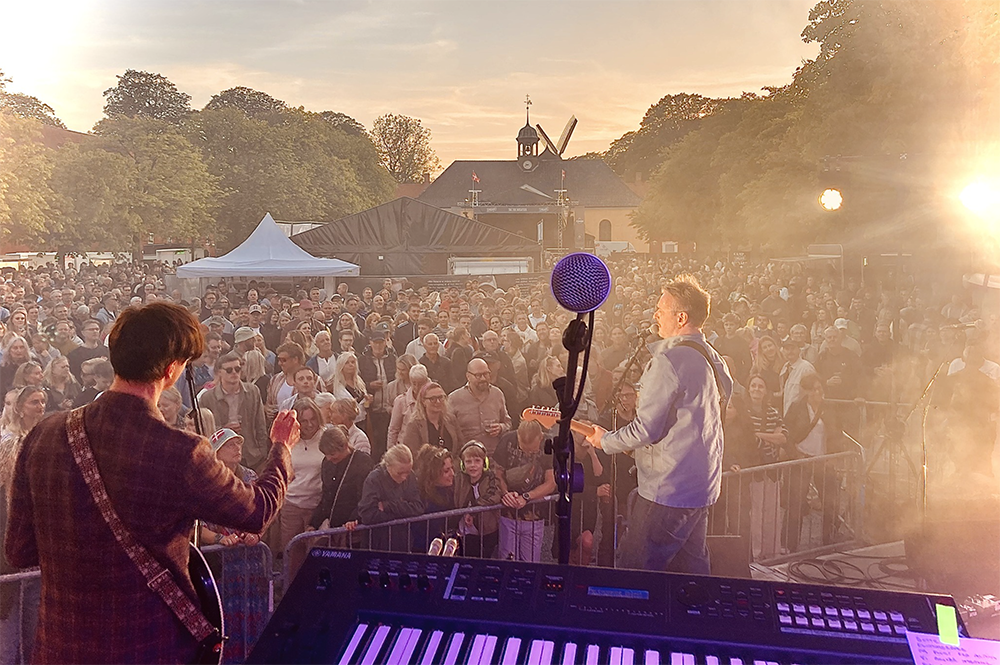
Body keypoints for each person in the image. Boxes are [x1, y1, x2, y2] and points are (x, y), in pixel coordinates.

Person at [5, 301, 299, 665]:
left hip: (61, 648)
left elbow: (19, 551)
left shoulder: (44, 434)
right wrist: (281, 449)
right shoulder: (179, 451)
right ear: (173, 370)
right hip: (149, 647)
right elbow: (255, 512)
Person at [587, 275, 733, 575]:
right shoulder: (714, 358)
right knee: (690, 574)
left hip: (667, 490)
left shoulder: (668, 360)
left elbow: (646, 429)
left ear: (681, 317)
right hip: (702, 486)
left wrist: (606, 441)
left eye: (660, 308)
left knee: (635, 570)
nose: (654, 314)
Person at [493, 419, 556, 562]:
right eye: (523, 449)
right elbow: (497, 473)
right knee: (507, 560)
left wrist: (527, 497)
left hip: (535, 516)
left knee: (530, 563)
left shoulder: (549, 445)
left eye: (532, 450)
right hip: (508, 513)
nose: (528, 454)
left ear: (540, 437)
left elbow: (551, 483)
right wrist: (506, 493)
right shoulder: (507, 439)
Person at [199, 352, 271, 472]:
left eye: (237, 369)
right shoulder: (207, 397)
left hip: (252, 456)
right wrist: (224, 429)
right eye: (229, 370)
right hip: (222, 458)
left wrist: (262, 453)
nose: (234, 373)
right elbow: (204, 429)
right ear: (219, 372)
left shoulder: (252, 391)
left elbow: (261, 425)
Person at [280, 397, 327, 579]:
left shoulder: (326, 436)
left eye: (312, 419)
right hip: (292, 504)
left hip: (317, 505)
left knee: (316, 555)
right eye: (304, 421)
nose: (309, 425)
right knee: (292, 555)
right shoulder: (288, 441)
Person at [198, 428, 263, 548]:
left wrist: (256, 534)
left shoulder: (250, 477)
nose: (237, 448)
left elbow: (262, 511)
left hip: (248, 552)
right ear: (216, 453)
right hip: (216, 553)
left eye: (238, 443)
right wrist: (220, 539)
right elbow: (195, 526)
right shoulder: (203, 483)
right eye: (229, 445)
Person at [308, 425, 374, 540]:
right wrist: (314, 523)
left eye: (332, 454)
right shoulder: (327, 463)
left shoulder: (362, 462)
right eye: (326, 454)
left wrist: (354, 518)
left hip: (354, 529)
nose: (329, 458)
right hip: (334, 526)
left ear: (344, 446)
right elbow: (326, 496)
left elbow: (366, 497)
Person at [357, 443, 424, 551]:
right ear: (388, 466)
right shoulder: (374, 480)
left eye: (407, 472)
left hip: (403, 542)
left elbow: (418, 508)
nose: (404, 477)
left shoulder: (410, 477)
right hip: (377, 544)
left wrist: (388, 505)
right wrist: (403, 512)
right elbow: (367, 515)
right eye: (400, 473)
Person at [453, 440, 505, 558]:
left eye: (477, 461)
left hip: (488, 531)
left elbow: (494, 495)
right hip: (466, 532)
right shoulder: (459, 479)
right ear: (463, 465)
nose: (473, 465)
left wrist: (473, 511)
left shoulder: (491, 477)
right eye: (468, 461)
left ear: (484, 463)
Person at [448, 358, 512, 454]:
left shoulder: (497, 394)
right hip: (468, 458)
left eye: (486, 374)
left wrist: (501, 428)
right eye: (478, 375)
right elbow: (449, 430)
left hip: (494, 455)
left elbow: (508, 423)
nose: (483, 378)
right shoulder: (454, 399)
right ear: (468, 376)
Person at [401, 381, 462, 456]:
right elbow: (411, 455)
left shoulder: (451, 419)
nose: (438, 401)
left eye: (440, 397)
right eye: (432, 399)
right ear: (423, 401)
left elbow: (460, 447)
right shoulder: (414, 425)